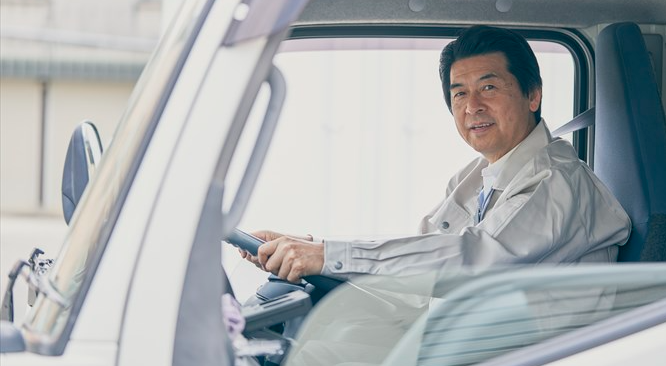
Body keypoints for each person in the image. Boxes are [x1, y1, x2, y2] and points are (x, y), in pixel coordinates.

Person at [240, 25, 631, 283]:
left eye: (489, 88)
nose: (471, 106)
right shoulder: (473, 178)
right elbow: (426, 258)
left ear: (533, 95)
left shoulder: (557, 181)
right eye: (459, 92)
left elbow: (473, 258)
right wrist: (308, 249)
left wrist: (327, 256)